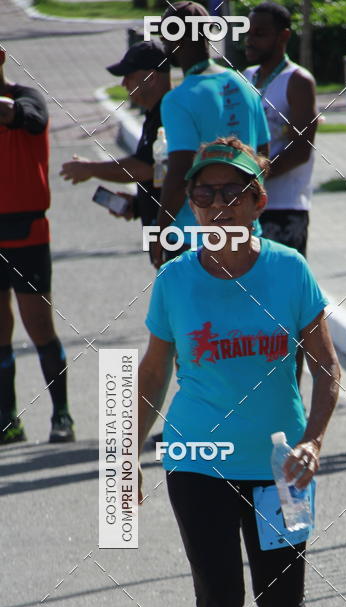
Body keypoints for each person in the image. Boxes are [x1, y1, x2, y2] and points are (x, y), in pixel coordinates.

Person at [137, 137, 339, 607]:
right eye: (204, 194)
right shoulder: (174, 280)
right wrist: (122, 457)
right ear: (191, 204)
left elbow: (327, 370)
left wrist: (313, 439)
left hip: (279, 465)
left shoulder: (289, 272)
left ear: (258, 200)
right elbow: (153, 373)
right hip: (196, 457)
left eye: (231, 193)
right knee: (220, 600)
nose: (217, 205)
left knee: (283, 604)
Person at [152, 1, 270, 268]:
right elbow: (263, 155)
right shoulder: (243, 84)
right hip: (247, 231)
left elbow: (181, 168)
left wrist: (159, 230)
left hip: (195, 237)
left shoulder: (178, 99)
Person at [0, 47, 74, 445]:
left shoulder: (28, 98)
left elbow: (31, 119)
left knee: (39, 328)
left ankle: (61, 414)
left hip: (27, 232)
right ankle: (8, 419)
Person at [60, 41, 171, 242]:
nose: (123, 84)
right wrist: (138, 205)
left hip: (177, 237)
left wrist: (90, 169)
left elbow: (145, 168)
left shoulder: (168, 115)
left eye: (129, 76)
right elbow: (162, 173)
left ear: (151, 77)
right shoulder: (155, 115)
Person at [244, 1, 317, 259]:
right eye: (248, 33)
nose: (250, 40)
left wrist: (251, 177)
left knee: (283, 293)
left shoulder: (297, 80)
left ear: (283, 35)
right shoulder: (247, 76)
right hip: (247, 209)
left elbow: (300, 151)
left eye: (260, 34)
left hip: (285, 208)